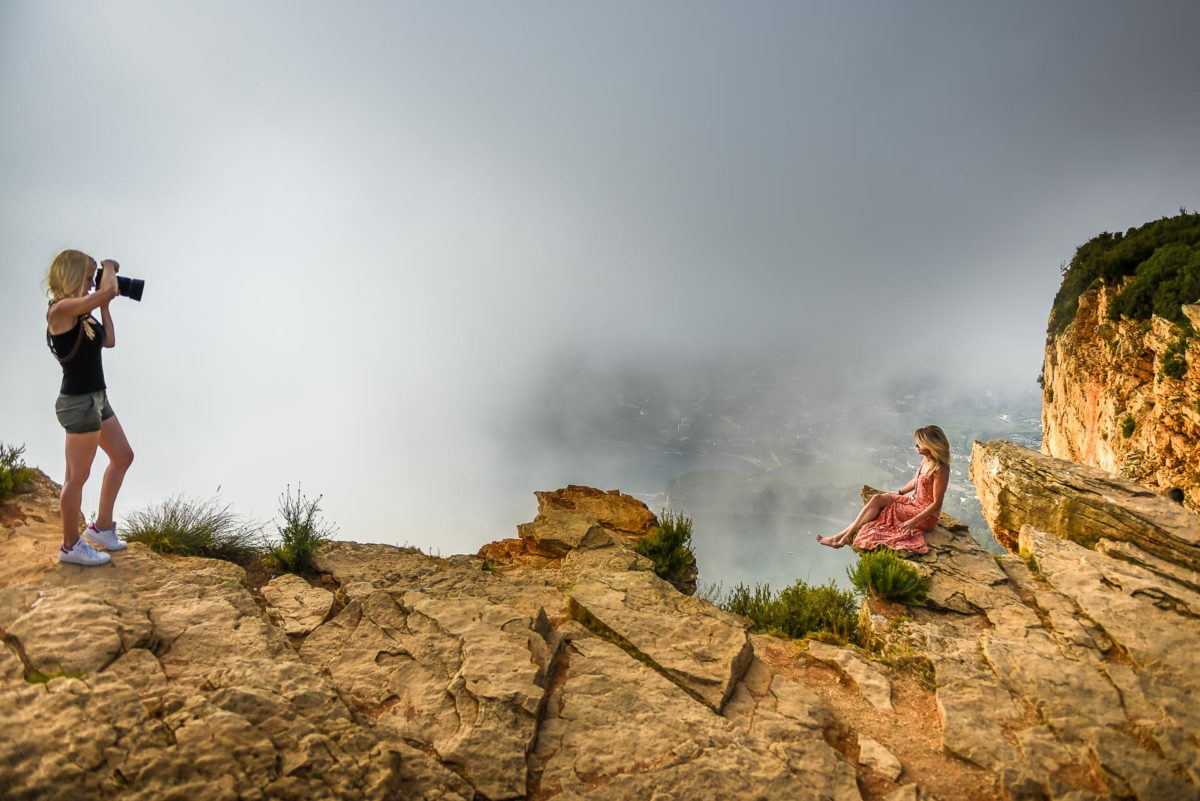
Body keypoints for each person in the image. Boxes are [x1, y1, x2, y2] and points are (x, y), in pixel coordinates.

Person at [45, 249, 134, 566]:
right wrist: (109, 267)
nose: (91, 281)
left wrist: (105, 306)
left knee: (123, 456)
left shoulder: (84, 314)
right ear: (72, 276)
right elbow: (107, 287)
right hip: (78, 403)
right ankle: (70, 546)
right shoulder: (61, 310)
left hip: (97, 398)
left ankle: (102, 529)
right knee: (77, 477)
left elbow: (108, 340)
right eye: (88, 275)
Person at [816, 425, 951, 554]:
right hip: (914, 502)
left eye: (919, 443)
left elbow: (936, 503)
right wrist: (898, 493)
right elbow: (915, 481)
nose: (916, 446)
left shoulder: (940, 469)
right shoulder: (925, 460)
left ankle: (842, 538)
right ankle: (841, 537)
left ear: (931, 445)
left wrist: (913, 521)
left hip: (924, 515)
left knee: (886, 509)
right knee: (878, 498)